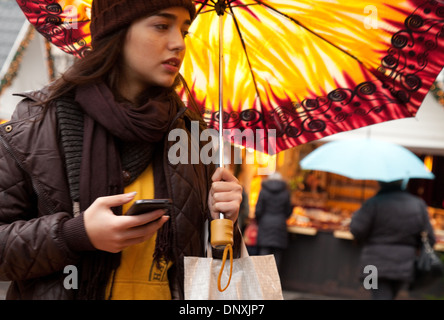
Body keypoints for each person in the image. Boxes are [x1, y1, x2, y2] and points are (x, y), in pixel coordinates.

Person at [0, 0, 243, 300]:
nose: (178, 43)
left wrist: (224, 222)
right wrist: (75, 234)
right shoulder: (38, 124)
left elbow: (208, 269)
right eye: (161, 26)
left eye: (184, 30)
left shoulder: (192, 132)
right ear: (117, 30)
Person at [350, 179, 436, 300]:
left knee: (380, 294)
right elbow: (430, 237)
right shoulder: (417, 204)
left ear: (380, 183)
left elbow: (357, 230)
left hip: (375, 264)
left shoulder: (373, 203)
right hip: (404, 264)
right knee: (387, 295)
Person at [254, 172, 293, 272]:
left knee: (264, 253)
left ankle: (262, 280)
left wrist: (260, 221)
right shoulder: (286, 193)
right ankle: (273, 282)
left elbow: (258, 210)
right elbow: (288, 211)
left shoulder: (263, 191)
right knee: (277, 255)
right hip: (279, 225)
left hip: (265, 224)